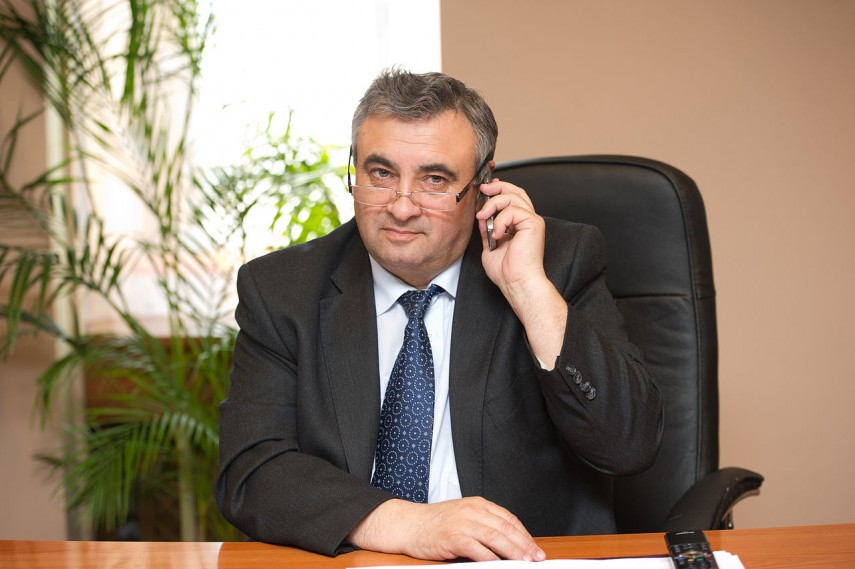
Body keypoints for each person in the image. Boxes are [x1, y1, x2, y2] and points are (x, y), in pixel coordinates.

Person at [216, 69, 663, 562]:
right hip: (356, 559)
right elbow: (252, 469)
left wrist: (528, 290)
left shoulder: (556, 263)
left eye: (434, 180)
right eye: (381, 174)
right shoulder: (283, 290)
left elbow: (628, 445)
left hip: (518, 561)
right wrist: (408, 523)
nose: (401, 208)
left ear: (483, 183)